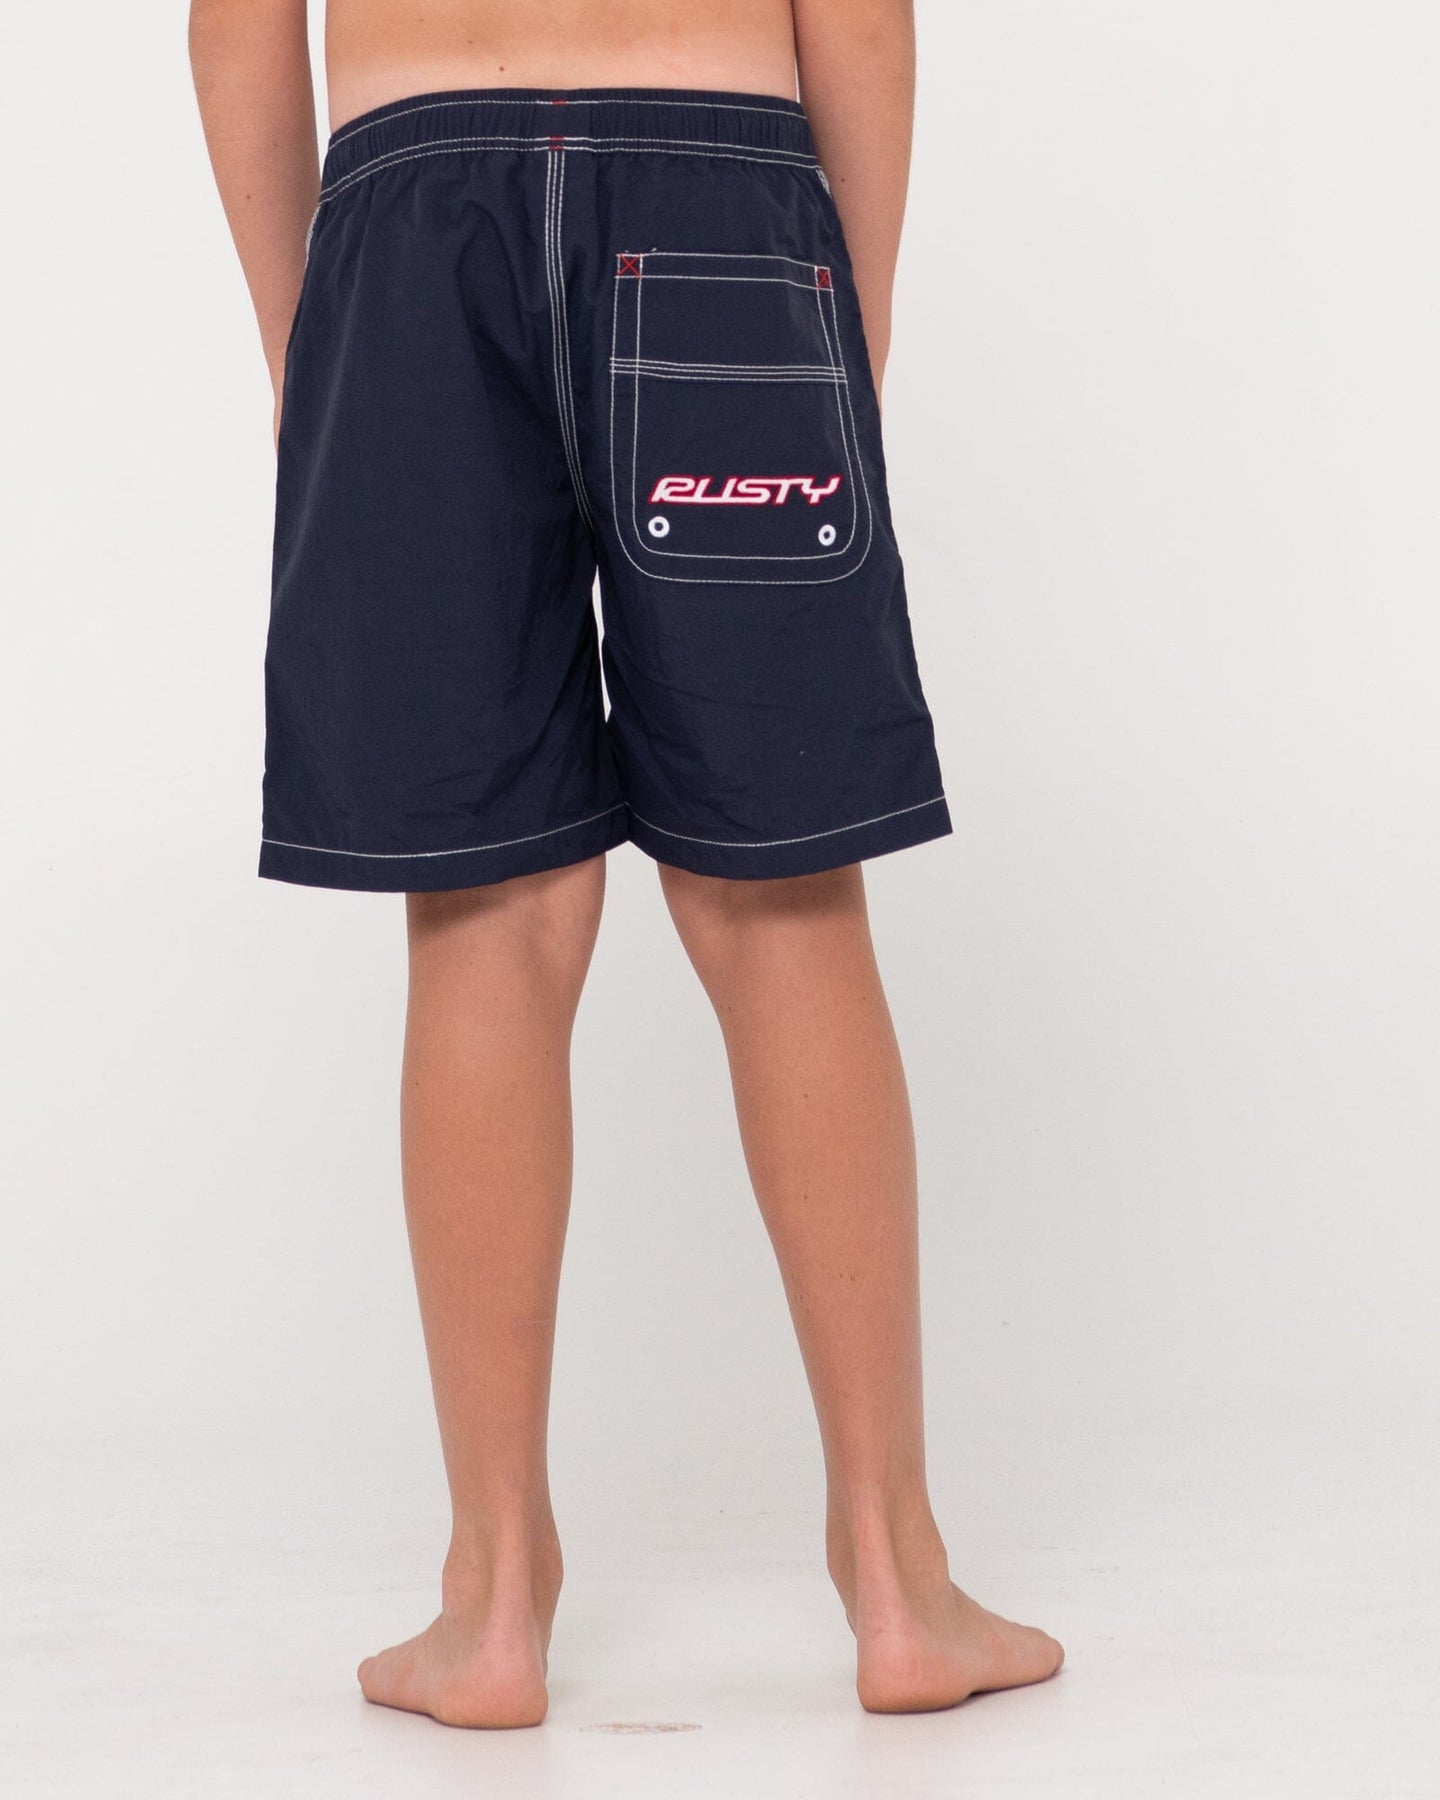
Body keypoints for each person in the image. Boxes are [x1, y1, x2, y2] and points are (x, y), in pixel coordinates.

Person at [189, 0, 1065, 1729]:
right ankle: (899, 1585)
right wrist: (849, 315)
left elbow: (233, 28)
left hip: (406, 206)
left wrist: (314, 335)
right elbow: (861, 22)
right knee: (783, 894)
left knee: (490, 904)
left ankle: (491, 1605)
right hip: (714, 188)